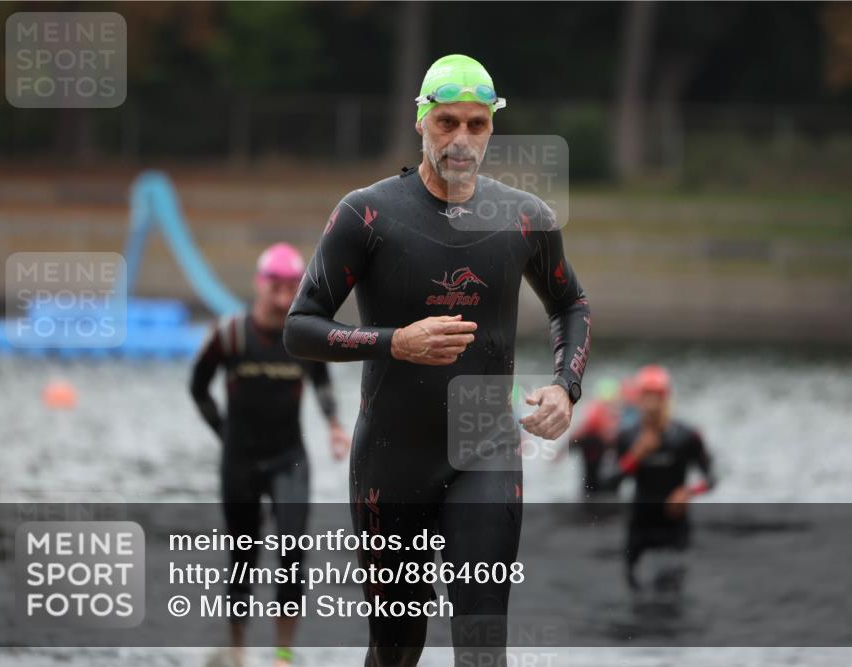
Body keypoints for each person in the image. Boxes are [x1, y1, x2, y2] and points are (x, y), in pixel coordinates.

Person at [283, 54, 591, 666]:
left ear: (492, 128)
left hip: (484, 443)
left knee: (481, 646)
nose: (461, 139)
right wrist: (393, 341)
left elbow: (571, 303)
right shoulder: (367, 214)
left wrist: (565, 386)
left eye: (477, 125)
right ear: (419, 122)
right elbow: (300, 327)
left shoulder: (525, 217)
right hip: (392, 455)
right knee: (398, 649)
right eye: (447, 122)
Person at [190, 242, 352, 667]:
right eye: (275, 289)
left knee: (293, 554)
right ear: (260, 286)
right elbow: (198, 388)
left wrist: (334, 423)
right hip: (240, 462)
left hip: (289, 460)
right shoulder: (229, 335)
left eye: (290, 290)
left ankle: (282, 653)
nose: (283, 299)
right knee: (243, 556)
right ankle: (238, 648)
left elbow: (321, 381)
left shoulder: (301, 336)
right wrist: (224, 434)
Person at [613, 365, 715, 592]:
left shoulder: (686, 435)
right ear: (638, 400)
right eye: (645, 398)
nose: (650, 406)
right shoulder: (627, 437)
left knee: (673, 591)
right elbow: (607, 482)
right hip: (640, 525)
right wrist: (635, 456)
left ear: (666, 399)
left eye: (656, 398)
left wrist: (688, 492)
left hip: (674, 526)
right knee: (633, 590)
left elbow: (712, 478)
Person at [567, 377, 621, 497]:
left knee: (591, 485)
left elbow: (574, 440)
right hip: (603, 478)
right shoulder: (610, 419)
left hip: (597, 476)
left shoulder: (599, 417)